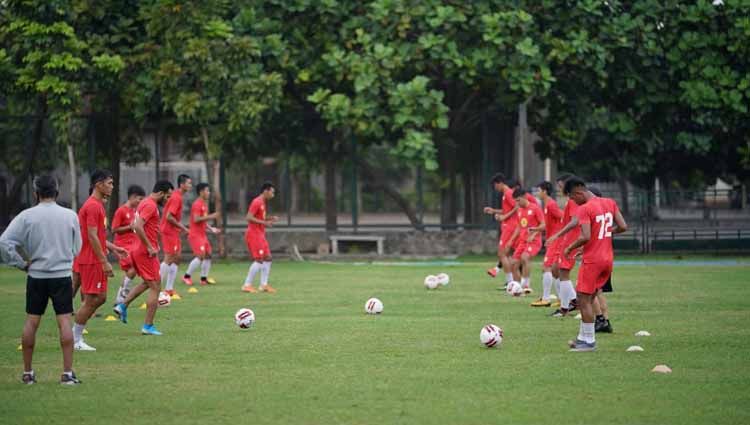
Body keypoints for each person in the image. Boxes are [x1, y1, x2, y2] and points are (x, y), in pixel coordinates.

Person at [0, 176, 83, 384]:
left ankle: (28, 373)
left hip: (36, 275)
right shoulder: (69, 215)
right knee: (64, 321)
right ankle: (67, 373)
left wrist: (21, 263)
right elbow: (78, 248)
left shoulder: (27, 216)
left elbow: (4, 242)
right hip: (62, 275)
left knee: (31, 322)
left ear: (36, 193)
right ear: (56, 192)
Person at [562, 177, 627, 351]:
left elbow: (585, 236)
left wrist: (569, 247)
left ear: (578, 192)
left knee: (583, 299)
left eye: (573, 199)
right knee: (589, 298)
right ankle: (583, 338)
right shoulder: (609, 202)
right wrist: (605, 234)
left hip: (593, 261)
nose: (574, 202)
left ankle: (589, 342)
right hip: (607, 259)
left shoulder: (585, 208)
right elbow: (623, 226)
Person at [71, 170, 128, 352]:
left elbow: (97, 236)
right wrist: (104, 261)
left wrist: (113, 247)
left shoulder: (96, 205)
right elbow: (92, 236)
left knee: (94, 298)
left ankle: (73, 335)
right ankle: (75, 339)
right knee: (94, 299)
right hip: (92, 259)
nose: (112, 186)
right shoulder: (94, 206)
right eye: (109, 183)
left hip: (89, 257)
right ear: (99, 184)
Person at [114, 180, 174, 335]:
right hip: (144, 252)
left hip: (137, 249)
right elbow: (137, 226)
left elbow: (138, 225)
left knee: (148, 283)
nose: (167, 200)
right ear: (160, 193)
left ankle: (122, 305)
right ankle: (148, 326)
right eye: (167, 197)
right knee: (156, 286)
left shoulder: (144, 203)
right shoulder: (150, 205)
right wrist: (149, 246)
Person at [544, 174, 581, 317]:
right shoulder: (570, 201)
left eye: (561, 186)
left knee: (563, 272)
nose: (560, 190)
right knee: (555, 270)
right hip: (566, 241)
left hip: (570, 241)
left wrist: (557, 235)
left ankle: (565, 307)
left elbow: (574, 222)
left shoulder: (572, 201)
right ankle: (572, 301)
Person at [112, 185, 146, 305]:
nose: (141, 202)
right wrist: (129, 227)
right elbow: (114, 229)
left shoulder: (135, 211)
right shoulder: (121, 210)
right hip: (123, 246)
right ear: (132, 197)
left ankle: (121, 299)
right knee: (132, 269)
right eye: (139, 199)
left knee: (133, 271)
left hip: (134, 245)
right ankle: (121, 299)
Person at [242, 182, 279, 293]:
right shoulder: (257, 201)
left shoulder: (262, 202)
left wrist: (269, 218)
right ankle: (247, 285)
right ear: (266, 191)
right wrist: (264, 222)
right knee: (259, 260)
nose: (273, 194)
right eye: (272, 192)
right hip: (254, 234)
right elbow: (248, 217)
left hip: (260, 234)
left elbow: (259, 217)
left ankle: (263, 285)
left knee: (268, 258)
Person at [531, 181, 563, 307]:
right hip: (553, 239)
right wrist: (536, 230)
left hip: (555, 240)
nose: (537, 193)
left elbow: (563, 218)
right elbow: (549, 224)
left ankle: (546, 298)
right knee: (555, 271)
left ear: (544, 191)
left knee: (547, 267)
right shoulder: (547, 205)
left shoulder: (551, 205)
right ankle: (562, 299)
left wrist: (557, 235)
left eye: (539, 190)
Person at [483, 173, 519, 286]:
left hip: (510, 227)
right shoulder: (505, 194)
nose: (495, 188)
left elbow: (517, 206)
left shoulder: (508, 193)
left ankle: (510, 282)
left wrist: (504, 217)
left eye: (495, 185)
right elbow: (506, 210)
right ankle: (512, 281)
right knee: (507, 255)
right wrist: (493, 211)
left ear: (500, 183)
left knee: (501, 254)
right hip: (509, 227)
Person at [183, 183, 220, 287]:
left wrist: (211, 228)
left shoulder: (203, 204)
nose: (209, 193)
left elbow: (202, 221)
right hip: (195, 235)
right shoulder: (197, 204)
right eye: (207, 191)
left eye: (209, 191)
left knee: (208, 255)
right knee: (200, 256)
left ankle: (203, 279)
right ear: (201, 192)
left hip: (202, 235)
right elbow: (196, 219)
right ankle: (186, 276)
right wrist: (211, 216)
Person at [509, 188, 545, 293]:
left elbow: (543, 225)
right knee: (513, 264)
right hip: (522, 241)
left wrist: (534, 234)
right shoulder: (519, 210)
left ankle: (526, 285)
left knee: (525, 257)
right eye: (515, 201)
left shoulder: (535, 208)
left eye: (518, 200)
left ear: (525, 197)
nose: (517, 203)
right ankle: (517, 288)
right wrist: (511, 240)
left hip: (534, 241)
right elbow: (519, 227)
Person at [160, 174, 191, 292]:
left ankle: (169, 289)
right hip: (168, 231)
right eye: (188, 183)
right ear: (182, 185)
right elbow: (169, 217)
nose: (190, 186)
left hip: (173, 231)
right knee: (169, 258)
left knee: (177, 257)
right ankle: (156, 288)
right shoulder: (177, 197)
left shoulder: (178, 197)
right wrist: (183, 227)